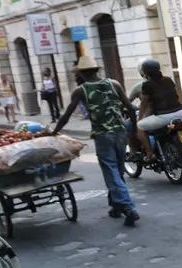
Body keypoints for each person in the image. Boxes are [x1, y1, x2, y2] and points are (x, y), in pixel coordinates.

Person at [53, 55, 140, 226]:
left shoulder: (81, 90)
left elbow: (66, 115)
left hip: (102, 135)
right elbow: (129, 107)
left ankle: (129, 208)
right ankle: (116, 206)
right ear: (96, 70)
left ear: (82, 73)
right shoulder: (113, 84)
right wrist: (134, 130)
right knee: (118, 170)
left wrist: (54, 132)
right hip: (120, 132)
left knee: (112, 172)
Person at [134, 58, 182, 160]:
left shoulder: (147, 85)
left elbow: (144, 104)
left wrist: (139, 118)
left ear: (144, 72)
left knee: (139, 127)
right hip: (180, 113)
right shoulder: (168, 80)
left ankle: (150, 154)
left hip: (163, 116)